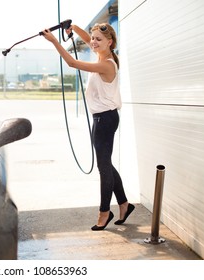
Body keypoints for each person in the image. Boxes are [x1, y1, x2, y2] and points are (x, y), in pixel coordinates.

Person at [42, 22, 135, 230]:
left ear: (109, 43)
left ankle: (104, 212)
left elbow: (72, 64)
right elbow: (89, 39)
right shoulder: (101, 54)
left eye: (98, 40)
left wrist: (55, 41)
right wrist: (73, 27)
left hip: (105, 120)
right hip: (101, 119)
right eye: (92, 38)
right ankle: (124, 204)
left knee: (104, 168)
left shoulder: (107, 64)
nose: (93, 42)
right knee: (106, 164)